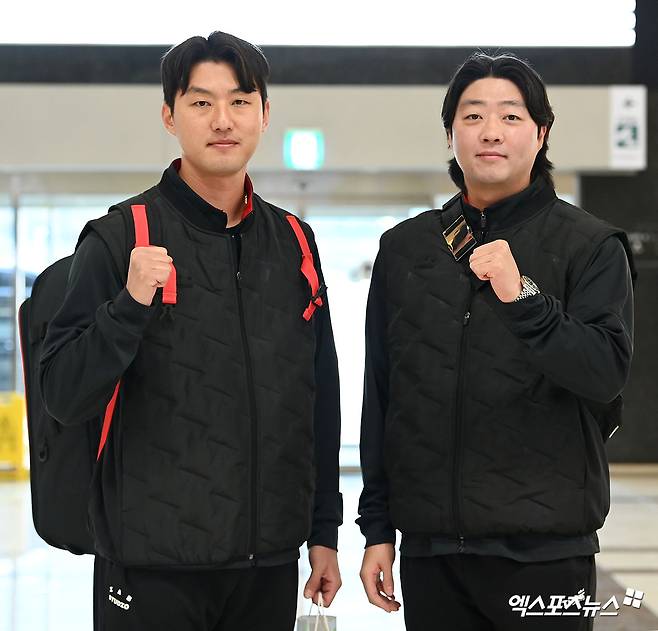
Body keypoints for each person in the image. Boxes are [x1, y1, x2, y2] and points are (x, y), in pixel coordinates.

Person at [40, 31, 342, 631]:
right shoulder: (120, 237)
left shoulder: (294, 242)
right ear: (169, 116)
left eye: (240, 101)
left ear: (264, 114)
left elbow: (318, 395)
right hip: (151, 567)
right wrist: (128, 305)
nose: (222, 120)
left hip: (266, 565)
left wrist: (323, 530)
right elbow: (63, 393)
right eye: (201, 102)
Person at [357, 52, 634, 631]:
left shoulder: (589, 245)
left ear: (541, 133)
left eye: (511, 116)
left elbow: (604, 372)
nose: (490, 131)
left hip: (547, 554)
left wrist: (523, 297)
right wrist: (377, 528)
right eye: (473, 115)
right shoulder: (405, 249)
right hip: (432, 552)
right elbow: (382, 394)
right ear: (450, 133)